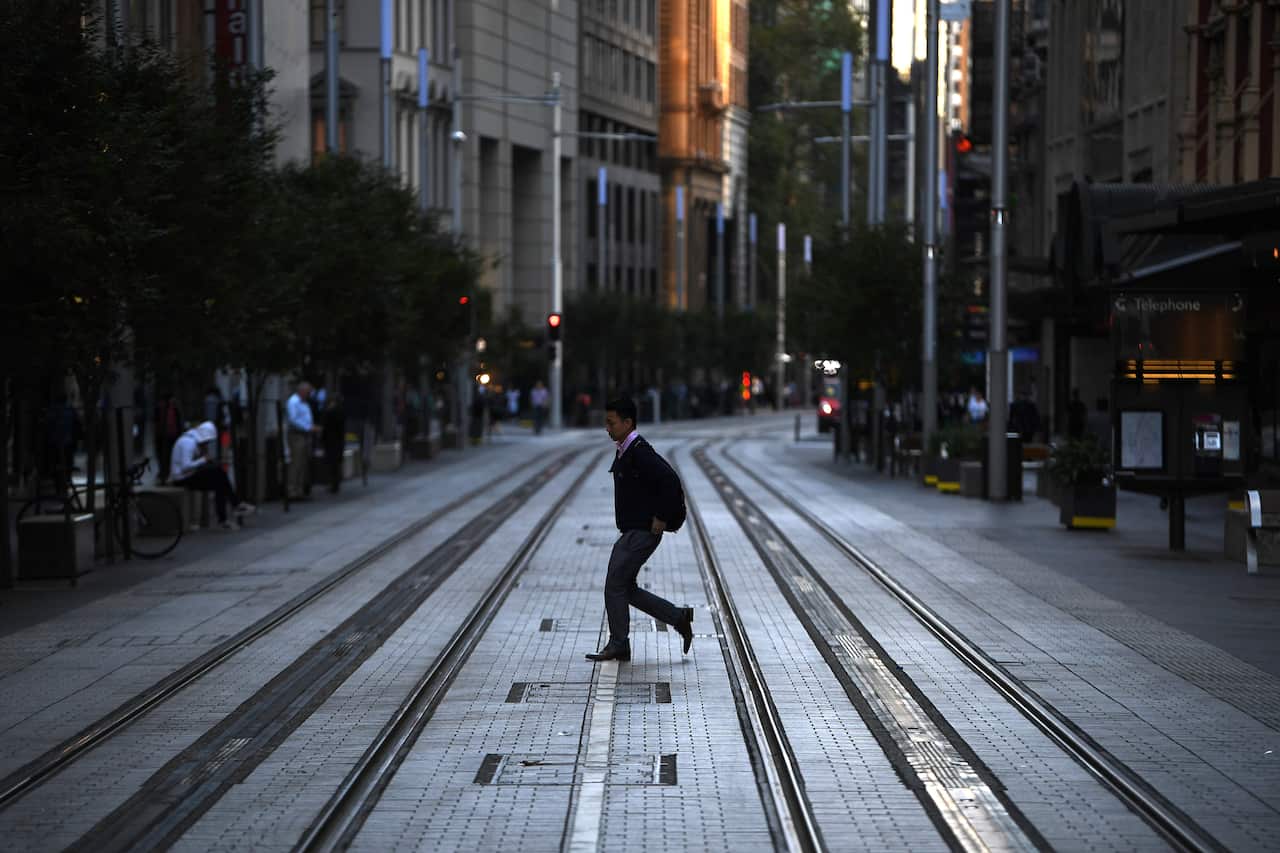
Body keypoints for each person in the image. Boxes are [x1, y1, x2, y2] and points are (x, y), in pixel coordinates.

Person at [585, 398, 693, 663]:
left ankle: (619, 643)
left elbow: (669, 479)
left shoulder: (639, 451)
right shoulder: (626, 448)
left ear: (627, 423)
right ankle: (678, 617)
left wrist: (661, 517)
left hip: (642, 531)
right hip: (634, 529)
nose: (607, 428)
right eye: (606, 422)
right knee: (626, 587)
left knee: (614, 584)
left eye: (611, 423)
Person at [170, 421, 254, 530]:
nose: (207, 444)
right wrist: (203, 460)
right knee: (220, 477)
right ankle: (234, 507)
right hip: (182, 478)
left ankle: (229, 513)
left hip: (187, 475)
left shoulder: (192, 441)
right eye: (207, 441)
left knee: (220, 481)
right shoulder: (188, 443)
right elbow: (185, 466)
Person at [286, 381, 320, 499]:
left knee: (303, 463)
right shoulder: (294, 402)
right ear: (302, 391)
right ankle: (292, 490)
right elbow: (293, 419)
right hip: (297, 435)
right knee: (296, 462)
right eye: (308, 392)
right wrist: (308, 427)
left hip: (305, 435)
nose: (309, 394)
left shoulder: (304, 403)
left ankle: (299, 489)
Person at [154, 393, 183, 484]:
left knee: (165, 456)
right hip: (166, 435)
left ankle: (165, 474)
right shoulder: (168, 408)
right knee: (165, 456)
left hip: (168, 435)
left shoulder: (171, 408)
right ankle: (164, 474)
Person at [322, 392, 346, 494]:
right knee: (336, 463)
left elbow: (325, 427)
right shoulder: (341, 411)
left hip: (331, 441)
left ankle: (332, 484)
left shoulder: (330, 412)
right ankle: (335, 484)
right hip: (338, 440)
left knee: (332, 463)